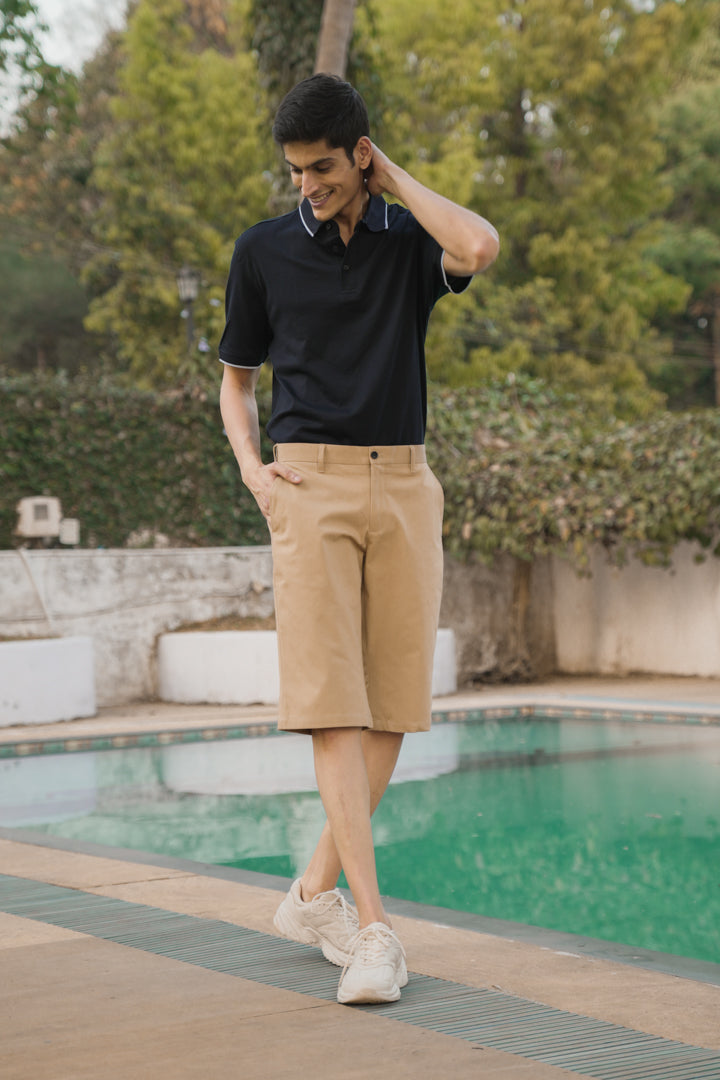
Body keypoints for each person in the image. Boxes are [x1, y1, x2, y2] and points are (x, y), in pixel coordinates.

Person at [219, 73, 499, 1005]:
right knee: (334, 708)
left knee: (392, 710)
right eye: (296, 171)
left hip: (407, 484)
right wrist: (254, 472)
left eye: (325, 168)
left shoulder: (408, 241)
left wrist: (393, 179)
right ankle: (374, 930)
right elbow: (235, 382)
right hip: (309, 488)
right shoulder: (262, 252)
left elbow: (479, 245)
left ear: (361, 155)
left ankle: (311, 895)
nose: (308, 186)